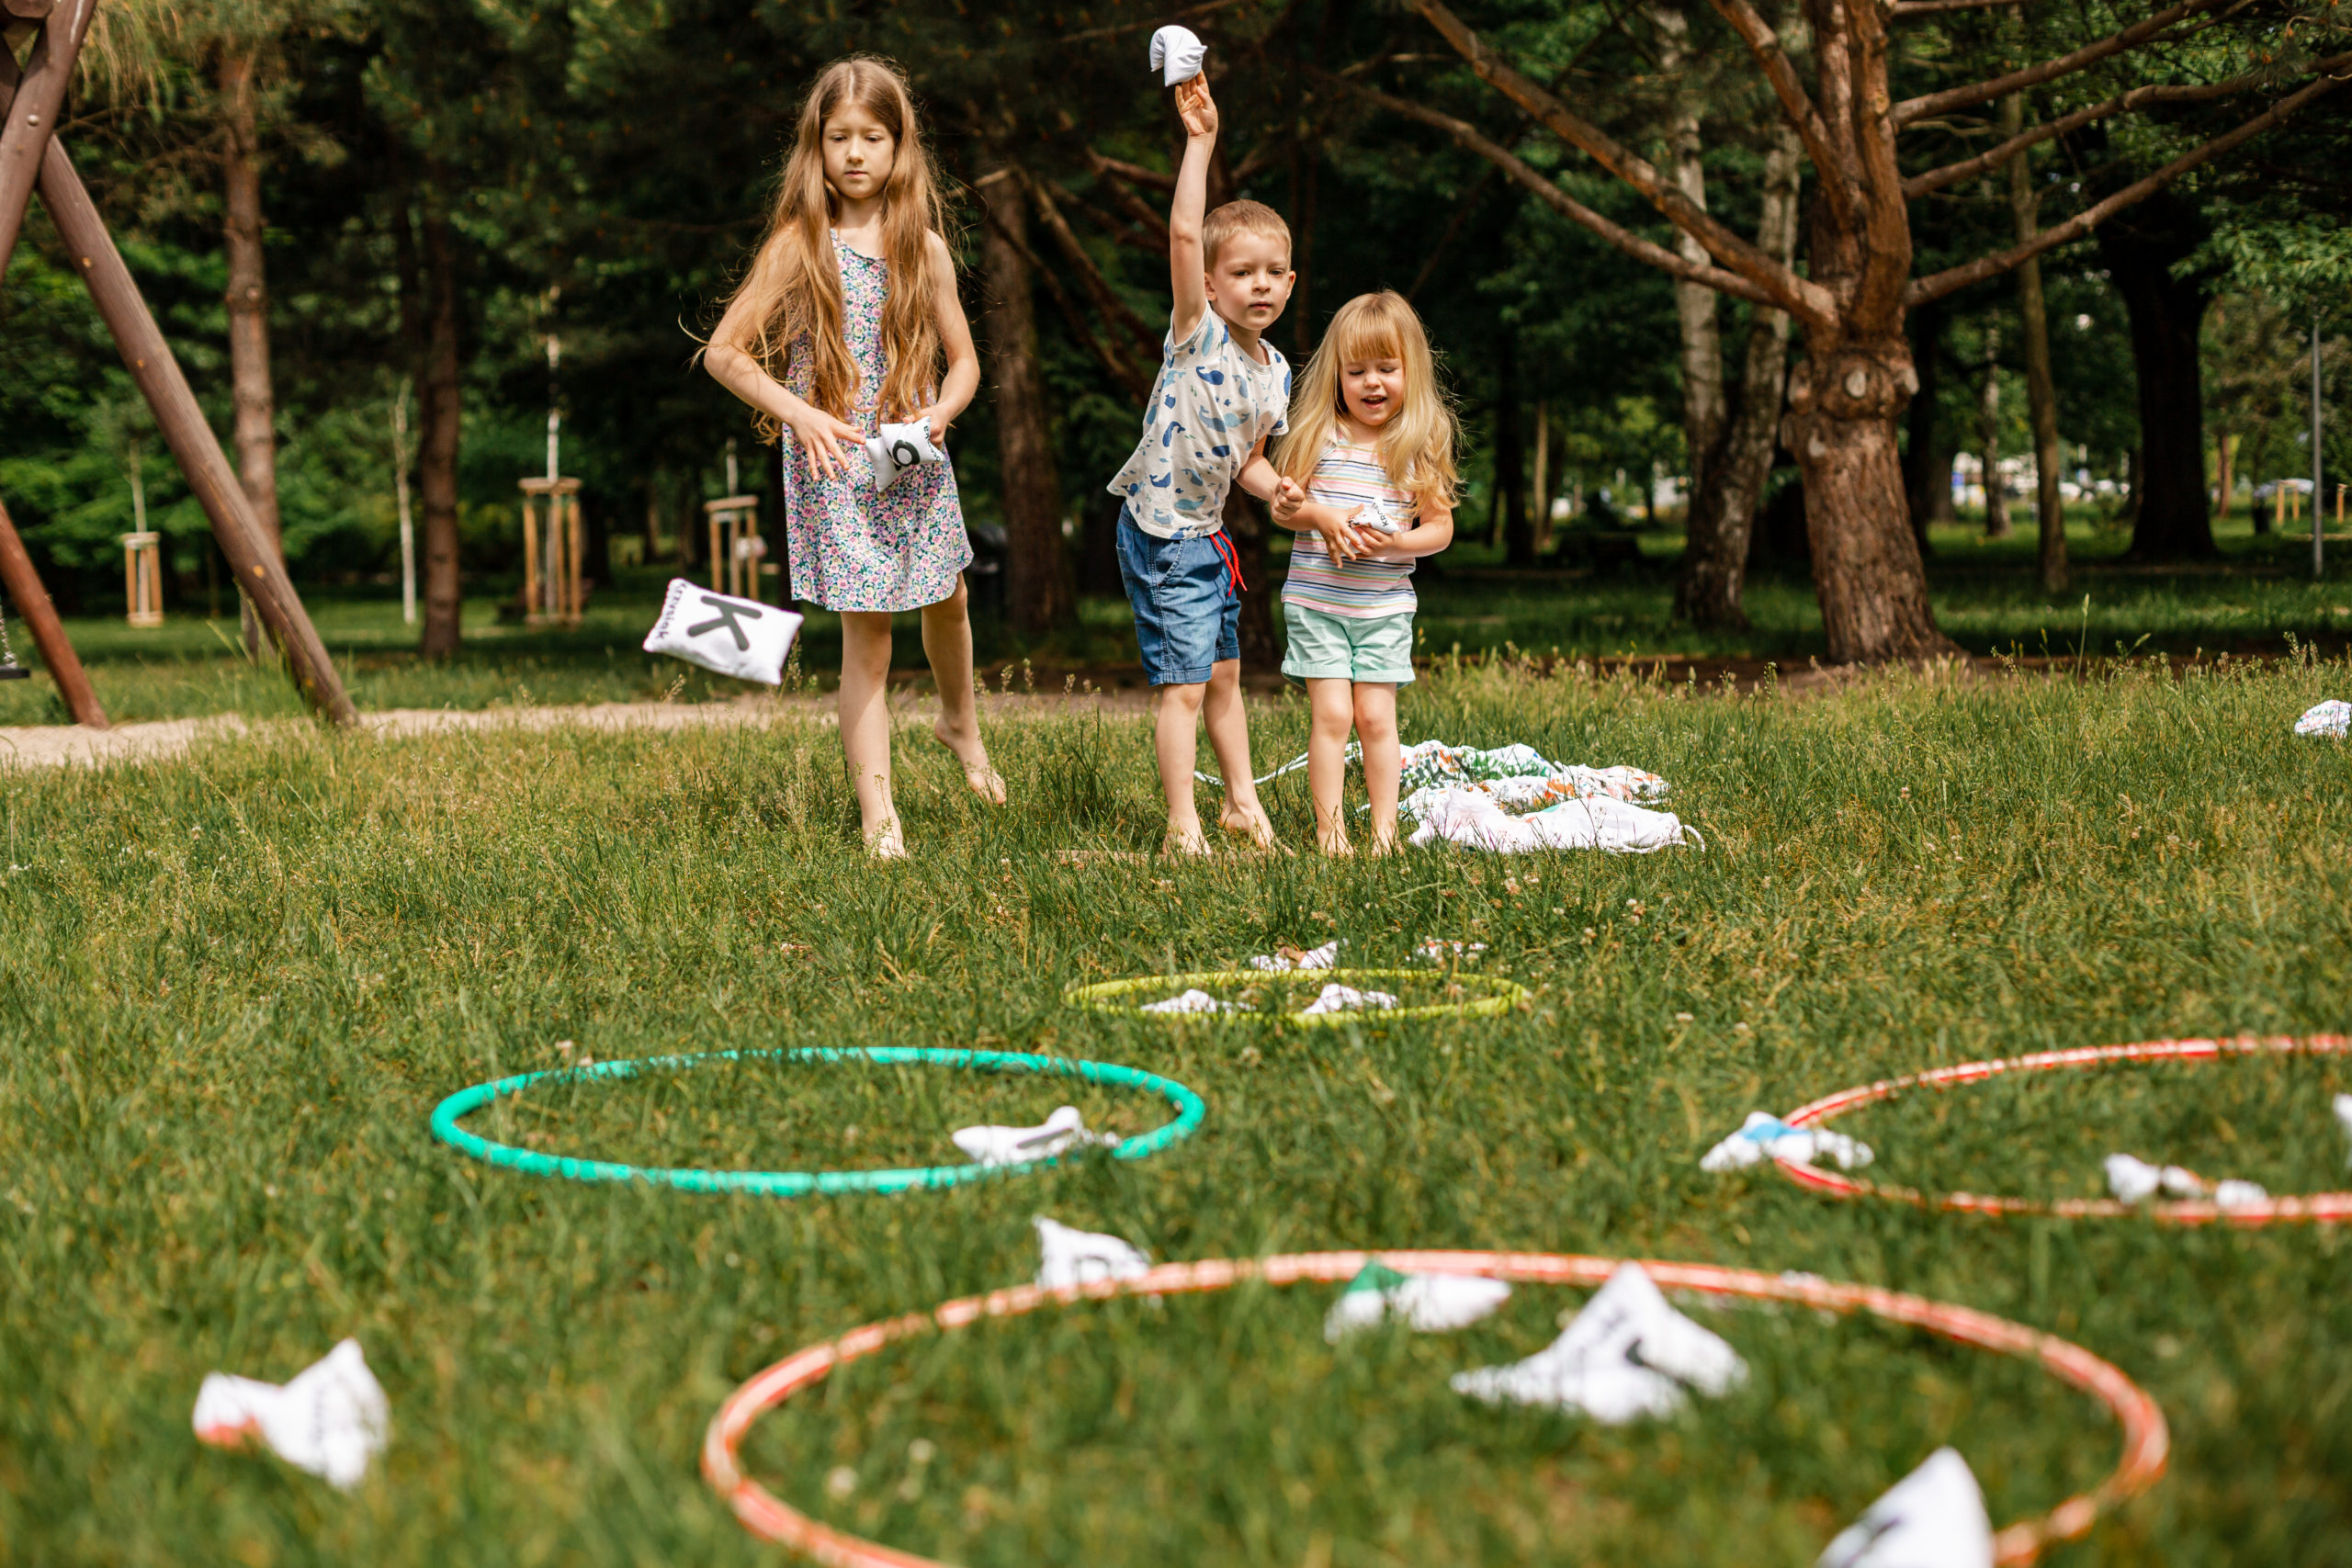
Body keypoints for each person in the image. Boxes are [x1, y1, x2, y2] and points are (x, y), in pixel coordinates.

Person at [704, 56, 1001, 859]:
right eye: (841, 137)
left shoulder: (925, 248)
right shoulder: (799, 246)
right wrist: (799, 415)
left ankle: (958, 723)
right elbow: (725, 354)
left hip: (914, 457)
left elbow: (966, 362)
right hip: (837, 468)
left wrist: (942, 411)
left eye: (874, 136)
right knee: (868, 639)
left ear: (902, 146)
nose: (858, 153)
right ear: (817, 147)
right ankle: (881, 818)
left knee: (948, 599)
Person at [1104, 69, 1300, 857]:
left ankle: (1241, 805)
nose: (1259, 285)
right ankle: (1183, 821)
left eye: (1272, 273)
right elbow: (1185, 233)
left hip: (1210, 539)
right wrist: (1201, 141)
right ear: (1211, 288)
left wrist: (1278, 487)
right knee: (1183, 686)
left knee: (1224, 678)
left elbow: (1248, 460)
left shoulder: (1276, 370)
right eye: (1242, 273)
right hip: (1160, 534)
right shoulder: (1199, 336)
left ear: (1290, 282)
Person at [1271, 290, 1459, 855]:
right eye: (1357, 371)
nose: (1372, 383)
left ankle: (1384, 834)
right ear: (1338, 375)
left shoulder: (1418, 443)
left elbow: (1440, 529)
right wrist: (1308, 512)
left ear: (1411, 372)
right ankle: (1332, 835)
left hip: (1383, 610)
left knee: (1376, 719)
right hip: (1317, 603)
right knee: (1331, 715)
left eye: (1386, 369)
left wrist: (1395, 543)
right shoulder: (1318, 435)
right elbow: (1286, 510)